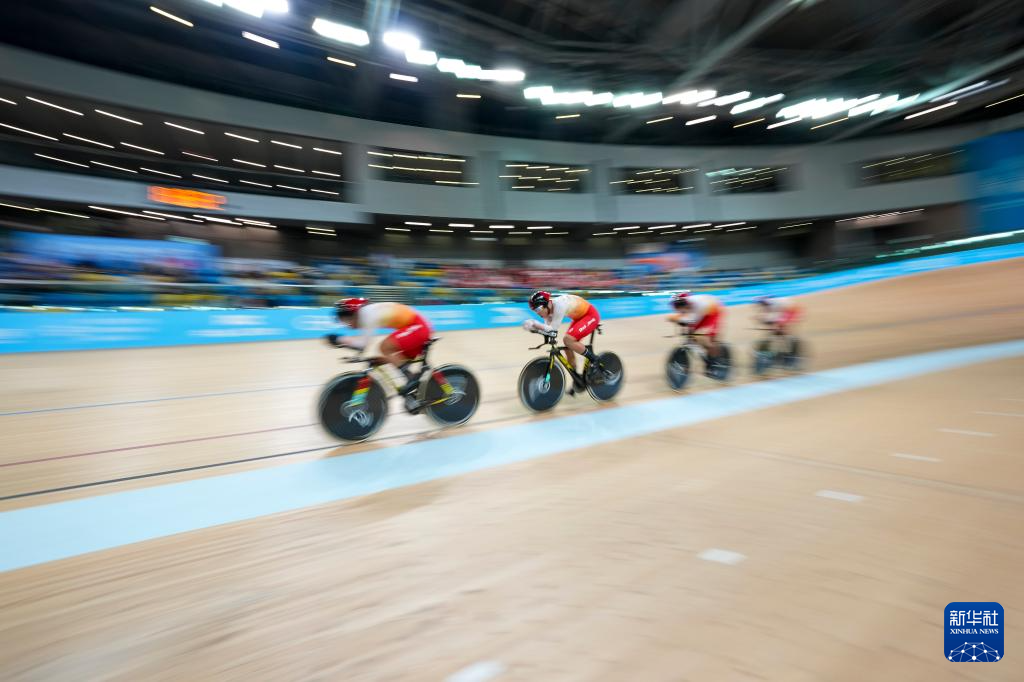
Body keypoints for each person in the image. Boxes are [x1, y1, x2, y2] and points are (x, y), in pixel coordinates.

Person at [326, 298, 432, 395]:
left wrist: (339, 339)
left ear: (353, 313)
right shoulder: (366, 312)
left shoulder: (367, 313)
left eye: (346, 320)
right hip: (416, 327)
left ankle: (411, 378)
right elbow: (362, 346)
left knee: (385, 347)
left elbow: (362, 344)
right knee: (383, 358)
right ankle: (415, 387)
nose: (347, 325)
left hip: (418, 326)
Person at [522, 290, 601, 393]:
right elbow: (549, 331)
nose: (538, 313)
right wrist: (533, 329)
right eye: (535, 311)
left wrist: (534, 323)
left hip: (590, 315)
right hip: (579, 318)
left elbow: (552, 329)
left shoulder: (559, 305)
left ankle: (594, 359)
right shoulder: (548, 312)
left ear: (545, 304)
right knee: (568, 348)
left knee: (568, 340)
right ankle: (577, 379)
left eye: (538, 309)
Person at [667, 291, 724, 372]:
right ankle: (695, 359)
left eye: (679, 305)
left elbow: (691, 320)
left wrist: (677, 319)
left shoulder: (698, 305)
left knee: (703, 336)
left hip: (713, 310)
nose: (677, 308)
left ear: (686, 303)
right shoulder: (685, 305)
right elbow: (685, 321)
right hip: (700, 312)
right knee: (693, 336)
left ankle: (715, 362)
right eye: (675, 305)